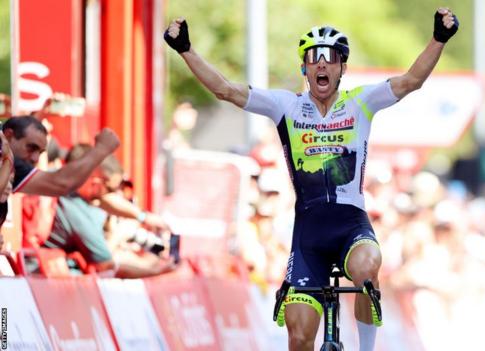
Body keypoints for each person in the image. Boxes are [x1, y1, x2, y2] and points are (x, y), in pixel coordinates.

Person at [164, 8, 458, 351]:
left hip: (351, 225)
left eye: (331, 59)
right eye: (313, 58)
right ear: (304, 68)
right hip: (308, 236)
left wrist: (438, 39)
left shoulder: (360, 102)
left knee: (367, 268)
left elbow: (411, 81)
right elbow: (226, 90)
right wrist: (186, 49)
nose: (322, 64)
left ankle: (366, 348)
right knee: (300, 337)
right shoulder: (284, 105)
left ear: (342, 68)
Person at [43, 143, 175, 278]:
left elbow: (107, 201)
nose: (116, 195)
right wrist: (157, 272)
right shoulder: (80, 216)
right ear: (95, 183)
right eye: (112, 189)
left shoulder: (55, 176)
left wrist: (143, 217)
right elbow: (108, 266)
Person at [2, 115, 120, 196]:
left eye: (40, 152)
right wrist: (102, 148)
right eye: (31, 148)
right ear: (8, 136)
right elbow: (62, 183)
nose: (36, 158)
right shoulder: (5, 158)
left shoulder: (8, 157)